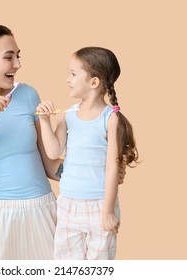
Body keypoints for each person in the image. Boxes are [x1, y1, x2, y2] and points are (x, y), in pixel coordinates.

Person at [0, 22, 126, 260]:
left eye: (18, 56)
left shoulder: (27, 95)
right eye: (9, 57)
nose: (18, 64)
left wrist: (98, 170)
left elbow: (48, 163)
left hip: (43, 211)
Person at [36, 47, 138, 260]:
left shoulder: (111, 119)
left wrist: (108, 210)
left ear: (94, 82)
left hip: (100, 205)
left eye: (73, 74)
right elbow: (54, 151)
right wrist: (45, 121)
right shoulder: (67, 115)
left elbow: (112, 167)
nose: (67, 79)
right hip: (68, 205)